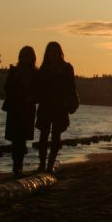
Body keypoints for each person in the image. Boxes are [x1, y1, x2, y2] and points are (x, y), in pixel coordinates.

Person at [35, 41, 79, 172]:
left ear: (59, 53)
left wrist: (69, 102)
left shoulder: (67, 68)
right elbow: (39, 87)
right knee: (43, 136)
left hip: (60, 106)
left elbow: (71, 87)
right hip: (46, 106)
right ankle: (42, 164)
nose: (52, 54)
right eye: (50, 51)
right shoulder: (44, 68)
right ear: (47, 53)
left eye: (55, 51)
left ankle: (50, 165)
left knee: (56, 136)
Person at [2, 46, 38, 176]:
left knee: (22, 139)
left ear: (32, 58)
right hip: (14, 107)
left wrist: (32, 97)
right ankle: (15, 164)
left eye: (28, 56)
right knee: (14, 138)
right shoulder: (14, 71)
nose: (25, 58)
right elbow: (7, 87)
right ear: (20, 57)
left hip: (27, 109)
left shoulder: (35, 73)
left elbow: (39, 91)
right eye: (23, 56)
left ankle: (19, 165)